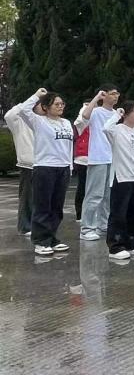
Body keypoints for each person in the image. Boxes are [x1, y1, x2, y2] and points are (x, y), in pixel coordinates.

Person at [18, 89, 73, 256]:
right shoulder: (39, 121)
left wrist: (69, 167)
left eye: (62, 104)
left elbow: (68, 147)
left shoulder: (66, 123)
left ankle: (51, 238)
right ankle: (40, 241)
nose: (60, 106)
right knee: (43, 206)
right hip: (45, 167)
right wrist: (37, 95)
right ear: (45, 107)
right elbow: (23, 110)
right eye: (56, 104)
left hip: (63, 168)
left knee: (57, 207)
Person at [103, 101, 134, 260]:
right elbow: (106, 128)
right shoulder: (117, 130)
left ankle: (132, 243)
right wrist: (117, 114)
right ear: (126, 113)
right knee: (119, 213)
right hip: (122, 177)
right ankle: (115, 246)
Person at [77, 84, 120, 242]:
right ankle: (87, 228)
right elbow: (84, 116)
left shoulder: (116, 113)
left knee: (108, 196)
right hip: (98, 157)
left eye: (117, 93)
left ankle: (103, 224)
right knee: (94, 195)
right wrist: (96, 98)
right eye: (112, 93)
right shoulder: (95, 111)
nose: (116, 96)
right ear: (104, 95)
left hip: (112, 158)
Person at [5, 96, 39, 236]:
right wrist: (33, 97)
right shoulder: (19, 122)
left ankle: (37, 224)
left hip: (44, 164)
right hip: (28, 164)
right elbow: (9, 115)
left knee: (41, 198)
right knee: (27, 197)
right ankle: (25, 226)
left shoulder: (41, 121)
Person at [73, 123, 89, 221]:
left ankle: (88, 213)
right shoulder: (82, 118)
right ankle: (80, 213)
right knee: (82, 186)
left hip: (96, 157)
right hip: (83, 157)